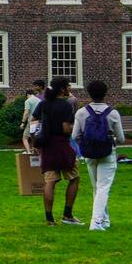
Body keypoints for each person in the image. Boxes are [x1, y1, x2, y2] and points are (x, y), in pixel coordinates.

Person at [75, 79, 125, 231]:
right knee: (103, 188)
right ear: (105, 93)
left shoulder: (81, 112)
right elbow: (121, 139)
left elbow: (75, 135)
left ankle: (105, 220)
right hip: (107, 153)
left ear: (89, 93)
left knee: (97, 188)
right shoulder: (113, 113)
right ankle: (96, 222)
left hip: (89, 153)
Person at [36, 77, 82, 226]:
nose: (69, 87)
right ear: (62, 89)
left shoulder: (43, 104)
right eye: (68, 85)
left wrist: (36, 142)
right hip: (62, 145)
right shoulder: (65, 105)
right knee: (74, 177)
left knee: (50, 182)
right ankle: (67, 214)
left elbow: (33, 122)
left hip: (47, 146)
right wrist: (72, 128)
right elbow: (65, 128)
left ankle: (49, 219)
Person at [21, 80, 46, 164]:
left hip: (32, 121)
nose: (35, 88)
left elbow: (26, 112)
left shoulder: (28, 101)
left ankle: (29, 152)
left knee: (25, 137)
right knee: (35, 137)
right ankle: (36, 152)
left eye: (36, 86)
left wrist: (22, 122)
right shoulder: (38, 99)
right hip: (40, 121)